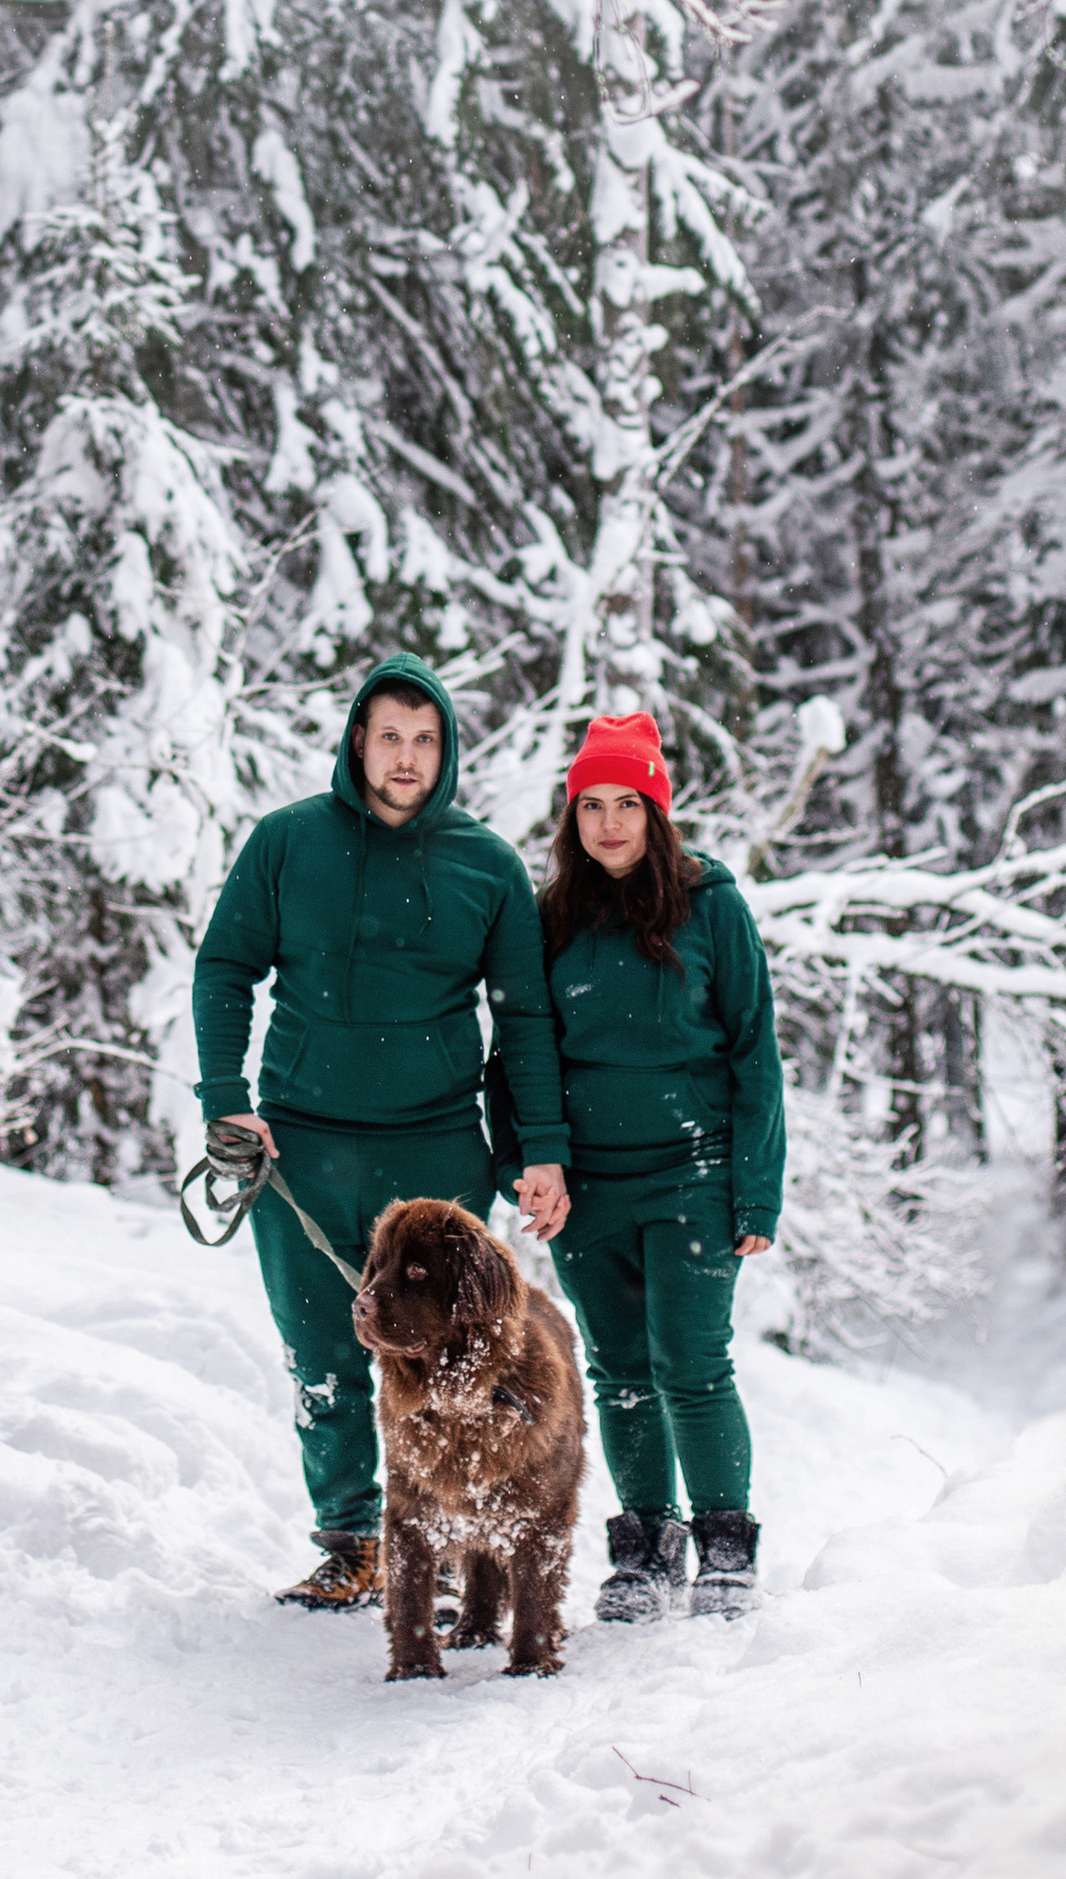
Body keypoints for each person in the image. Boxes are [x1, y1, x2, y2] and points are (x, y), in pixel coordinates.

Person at [192, 654, 573, 1610]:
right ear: (359, 740)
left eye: (426, 740)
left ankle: (443, 1547)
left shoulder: (485, 864)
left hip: (436, 1149)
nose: (406, 758)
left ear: (447, 752)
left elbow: (523, 1016)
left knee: (446, 1355)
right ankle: (352, 1541)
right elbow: (224, 966)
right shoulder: (287, 843)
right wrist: (225, 1095)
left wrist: (539, 1147)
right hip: (298, 1152)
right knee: (320, 1350)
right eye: (390, 736)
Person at [538, 709, 785, 1625]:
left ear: (655, 810)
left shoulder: (711, 905)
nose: (608, 823)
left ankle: (726, 1543)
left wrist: (756, 1188)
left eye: (627, 803)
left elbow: (756, 1052)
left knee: (691, 1361)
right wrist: (537, 1160)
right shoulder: (552, 918)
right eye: (590, 805)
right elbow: (523, 1051)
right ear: (573, 818)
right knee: (618, 1369)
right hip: (588, 1186)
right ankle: (645, 1547)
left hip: (693, 1168)